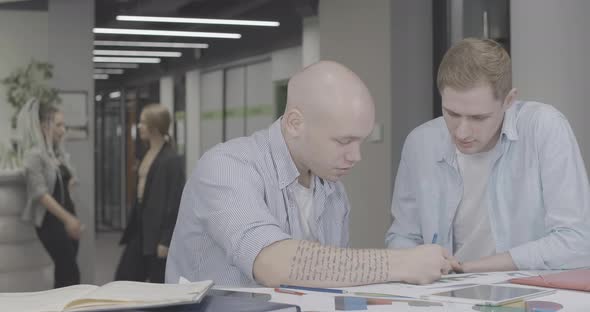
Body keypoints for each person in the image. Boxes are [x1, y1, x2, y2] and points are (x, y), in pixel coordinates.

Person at [166, 60, 451, 288]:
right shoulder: (226, 167)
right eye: (343, 141)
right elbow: (272, 263)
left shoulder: (331, 188)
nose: (356, 156)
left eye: (361, 141)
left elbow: (327, 278)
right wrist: (400, 264)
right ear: (294, 123)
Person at [386, 38, 590, 272]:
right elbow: (403, 237)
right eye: (451, 113)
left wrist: (469, 268)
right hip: (442, 294)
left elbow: (578, 242)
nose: (462, 132)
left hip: (522, 292)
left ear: (509, 101)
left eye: (478, 118)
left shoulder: (544, 127)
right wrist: (410, 262)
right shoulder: (420, 143)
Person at [115, 104, 185, 283]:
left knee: (157, 283)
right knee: (125, 278)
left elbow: (175, 202)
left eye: (143, 123)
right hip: (140, 229)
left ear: (155, 127)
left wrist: (166, 240)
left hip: (157, 234)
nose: (139, 126)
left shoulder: (171, 160)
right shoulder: (146, 153)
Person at [22, 100, 82, 288]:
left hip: (66, 219)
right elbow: (41, 194)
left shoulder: (57, 153)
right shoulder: (34, 155)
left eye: (64, 125)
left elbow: (69, 182)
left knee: (66, 273)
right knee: (70, 272)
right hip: (51, 222)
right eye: (58, 125)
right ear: (44, 126)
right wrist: (68, 219)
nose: (63, 130)